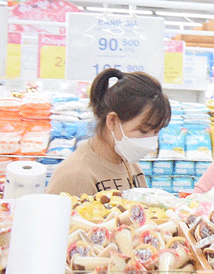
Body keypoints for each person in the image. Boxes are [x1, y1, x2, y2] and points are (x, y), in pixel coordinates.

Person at [47, 69, 171, 197]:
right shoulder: (75, 177)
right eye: (143, 130)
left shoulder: (129, 162)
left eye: (156, 132)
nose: (150, 142)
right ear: (112, 121)